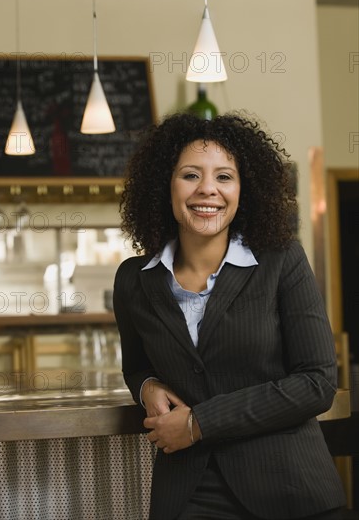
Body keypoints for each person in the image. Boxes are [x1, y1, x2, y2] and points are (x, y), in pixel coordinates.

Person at [113, 112, 346, 520]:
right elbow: (137, 367)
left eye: (224, 177)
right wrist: (147, 386)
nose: (208, 190)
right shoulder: (134, 280)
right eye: (190, 175)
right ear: (163, 185)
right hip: (189, 493)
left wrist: (200, 422)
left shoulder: (281, 261)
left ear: (244, 190)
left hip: (290, 488)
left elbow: (317, 382)